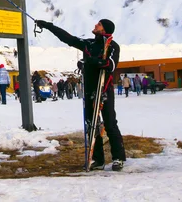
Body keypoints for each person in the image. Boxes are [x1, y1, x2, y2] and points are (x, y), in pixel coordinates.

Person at [36, 18, 126, 171]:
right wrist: (48, 26)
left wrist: (89, 62)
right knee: (92, 125)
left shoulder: (112, 46)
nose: (95, 25)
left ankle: (118, 158)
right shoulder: (88, 44)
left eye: (98, 24)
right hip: (90, 89)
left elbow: (110, 65)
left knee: (110, 124)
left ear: (104, 29)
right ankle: (98, 159)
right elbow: (68, 38)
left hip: (104, 90)